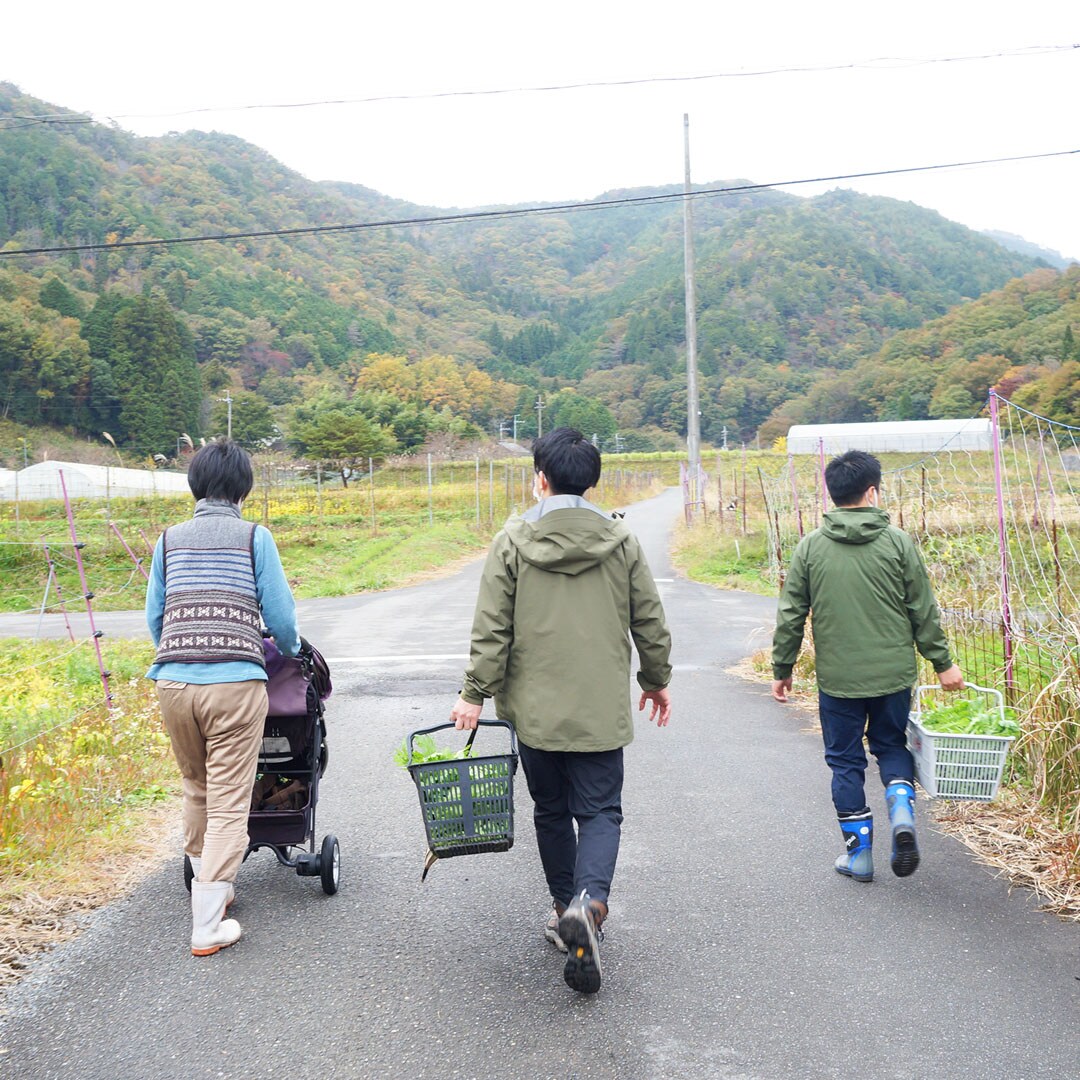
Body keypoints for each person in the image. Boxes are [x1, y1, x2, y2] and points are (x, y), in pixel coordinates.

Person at [450, 428, 672, 994]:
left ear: (540, 479)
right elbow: (648, 619)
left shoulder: (512, 540)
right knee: (600, 811)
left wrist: (474, 693)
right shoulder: (621, 542)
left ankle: (562, 912)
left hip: (535, 712)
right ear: (592, 482)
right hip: (598, 708)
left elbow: (491, 628)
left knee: (551, 810)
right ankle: (590, 906)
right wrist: (655, 680)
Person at [771, 449, 964, 883]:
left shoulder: (810, 547)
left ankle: (859, 857)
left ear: (832, 493)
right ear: (873, 491)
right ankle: (901, 812)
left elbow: (790, 614)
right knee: (892, 747)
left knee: (845, 762)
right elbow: (923, 609)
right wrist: (942, 664)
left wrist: (782, 668)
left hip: (839, 680)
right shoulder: (897, 542)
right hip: (893, 674)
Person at [145, 438, 300, 955]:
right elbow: (279, 617)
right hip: (234, 684)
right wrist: (290, 648)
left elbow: (155, 618)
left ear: (195, 485)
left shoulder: (168, 540)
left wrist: (182, 656)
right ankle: (207, 924)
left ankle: (214, 888)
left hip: (173, 680)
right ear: (243, 487)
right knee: (232, 800)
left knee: (196, 787)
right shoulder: (254, 537)